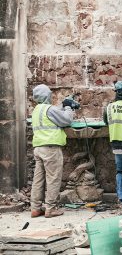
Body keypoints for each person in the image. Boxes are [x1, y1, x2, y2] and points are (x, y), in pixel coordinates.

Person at [30, 84, 75, 218]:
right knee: (53, 179)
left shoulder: (37, 109)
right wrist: (68, 106)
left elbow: (54, 114)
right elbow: (66, 120)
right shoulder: (48, 109)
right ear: (47, 96)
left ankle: (35, 208)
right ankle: (51, 208)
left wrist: (62, 104)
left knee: (38, 180)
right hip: (50, 148)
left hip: (38, 148)